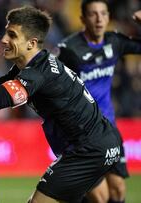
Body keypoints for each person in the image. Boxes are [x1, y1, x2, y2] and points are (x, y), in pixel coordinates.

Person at [0, 5, 122, 203]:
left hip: (87, 150)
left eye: (12, 35)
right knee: (97, 198)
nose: (3, 40)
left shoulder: (38, 73)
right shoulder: (31, 66)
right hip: (98, 143)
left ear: (31, 43)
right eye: (5, 32)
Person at [56, 1, 141, 202]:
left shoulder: (114, 42)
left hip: (109, 127)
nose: (99, 19)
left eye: (103, 13)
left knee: (118, 190)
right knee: (99, 197)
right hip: (82, 133)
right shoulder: (69, 50)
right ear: (83, 19)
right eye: (93, 14)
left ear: (109, 16)